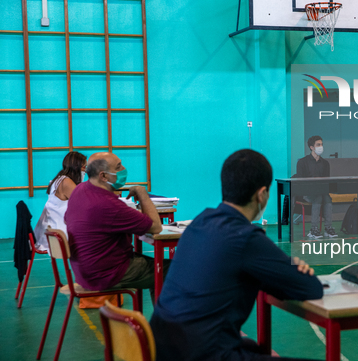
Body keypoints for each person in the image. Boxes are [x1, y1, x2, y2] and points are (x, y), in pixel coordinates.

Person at [150, 149, 323, 361]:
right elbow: (310, 287)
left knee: (252, 346)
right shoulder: (247, 238)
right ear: (261, 195)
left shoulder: (200, 221)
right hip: (204, 354)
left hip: (164, 349)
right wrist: (292, 268)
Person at [64, 152, 169, 299]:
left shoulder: (80, 190)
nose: (124, 169)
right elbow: (156, 227)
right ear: (104, 176)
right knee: (175, 270)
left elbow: (66, 219)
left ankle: (161, 318)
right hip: (107, 273)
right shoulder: (107, 204)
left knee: (158, 266)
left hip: (84, 270)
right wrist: (142, 192)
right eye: (118, 167)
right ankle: (168, 320)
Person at [33, 151, 87, 252]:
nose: (86, 171)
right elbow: (84, 204)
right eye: (84, 167)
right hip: (57, 233)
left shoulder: (60, 178)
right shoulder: (66, 182)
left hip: (49, 230)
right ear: (77, 167)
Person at [295, 135, 338, 239]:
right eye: (318, 145)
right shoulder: (302, 162)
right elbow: (300, 181)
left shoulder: (325, 163)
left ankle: (328, 228)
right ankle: (313, 229)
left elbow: (326, 180)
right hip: (306, 193)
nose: (321, 147)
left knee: (327, 198)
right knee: (317, 197)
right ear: (311, 147)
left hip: (321, 191)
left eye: (322, 144)